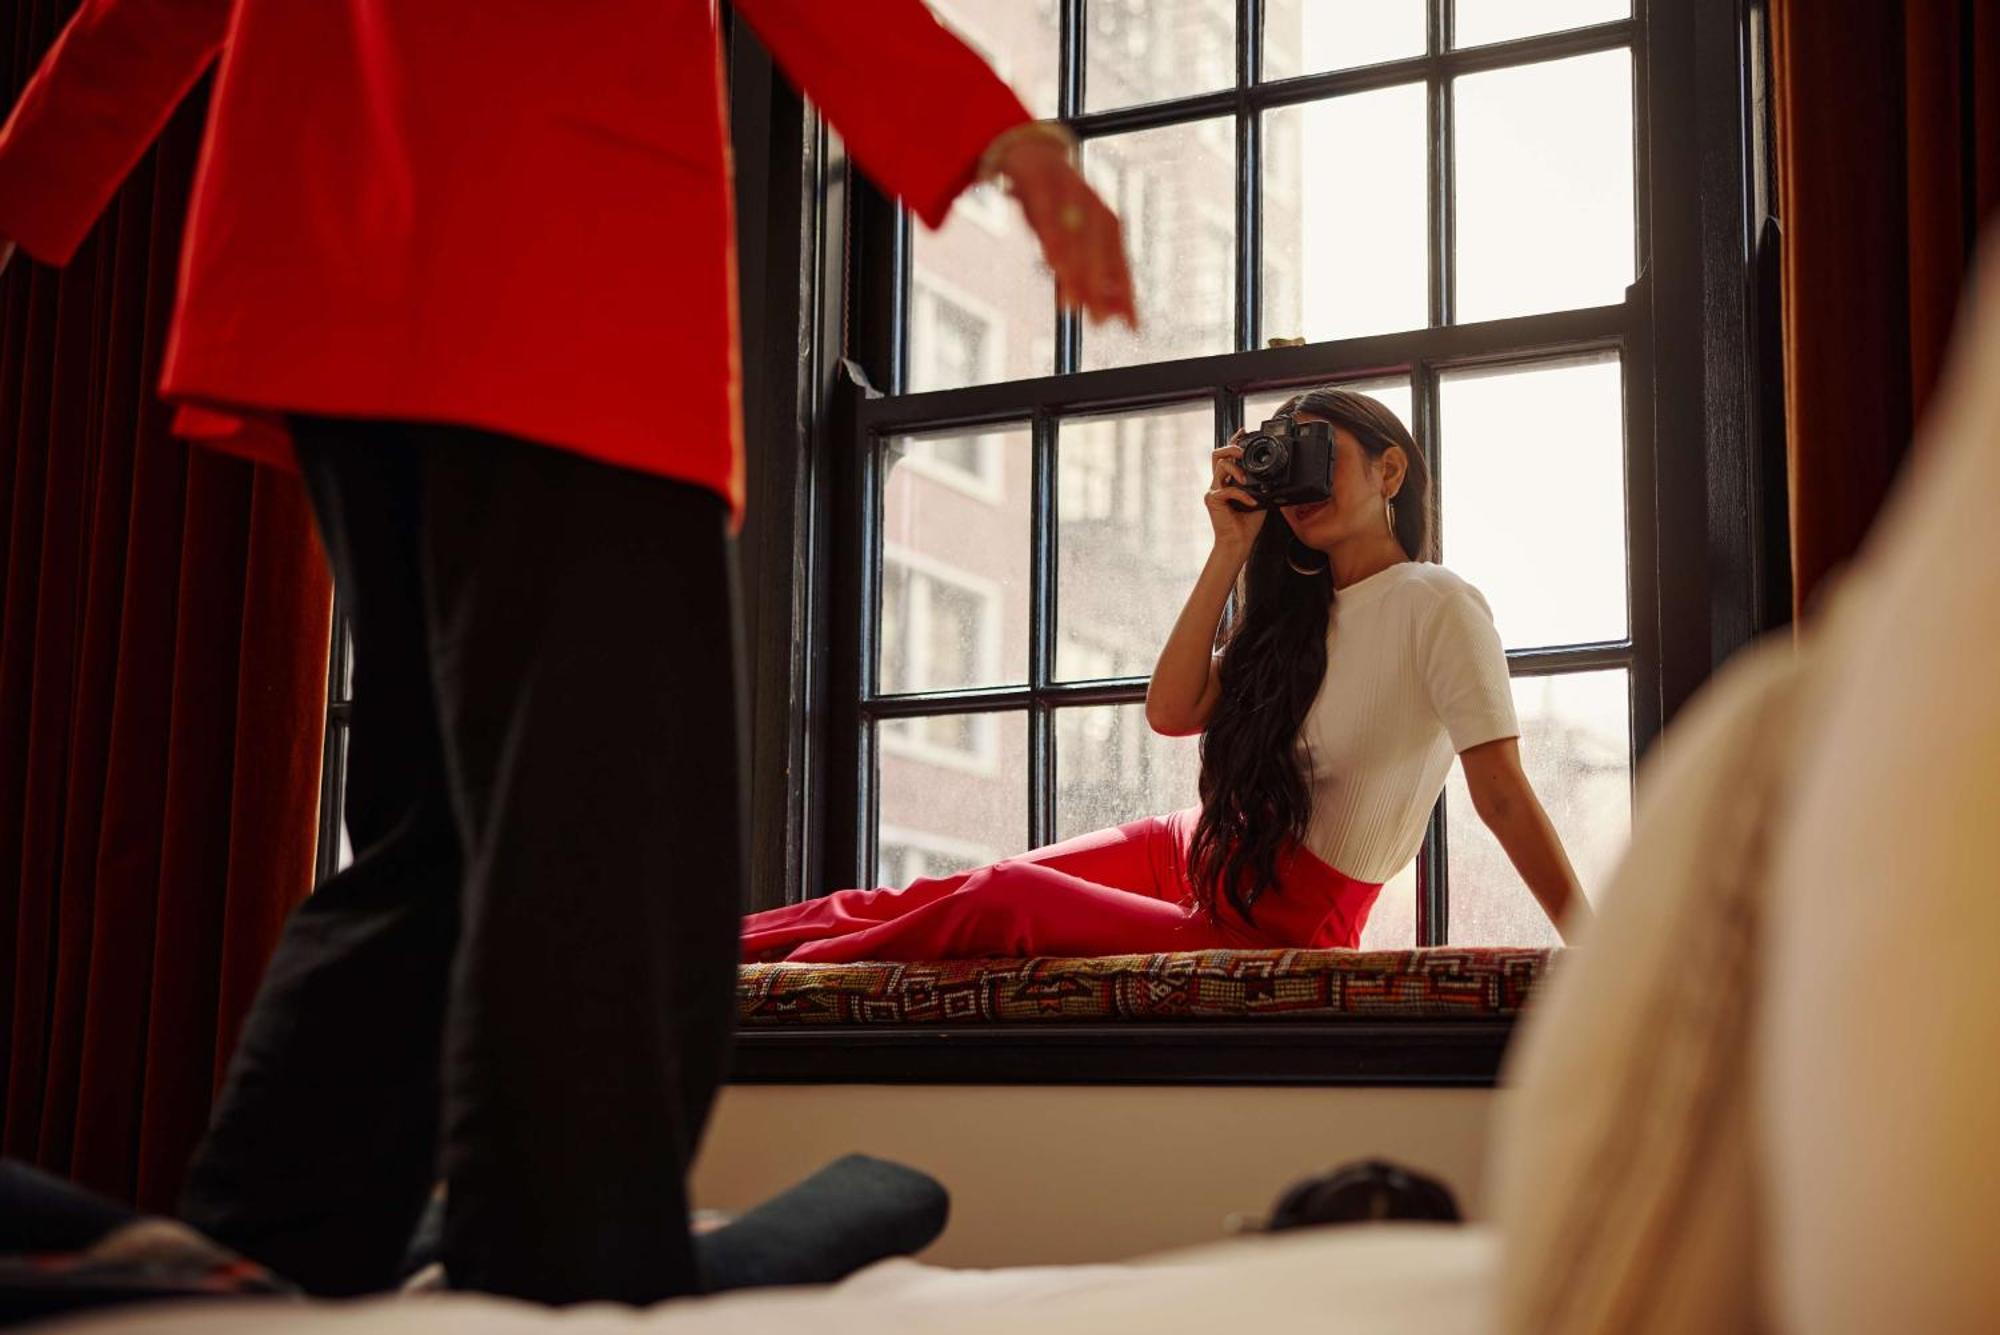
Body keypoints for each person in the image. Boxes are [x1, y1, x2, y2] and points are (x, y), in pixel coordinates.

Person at [0, 0, 1134, 1310]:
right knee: (603, 828)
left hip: (331, 259)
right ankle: (559, 1277)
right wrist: (1001, 134)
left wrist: (30, 180)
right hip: (560, 267)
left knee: (444, 832)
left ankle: (272, 1240)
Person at [742, 388, 1589, 965]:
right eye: (1281, 456)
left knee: (1003, 896)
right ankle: (733, 943)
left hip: (1280, 921)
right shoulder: (1297, 615)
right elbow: (1172, 709)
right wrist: (1229, 551)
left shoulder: (1439, 603)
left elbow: (1503, 793)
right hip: (1198, 846)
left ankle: (773, 987)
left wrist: (1594, 948)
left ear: (1390, 472)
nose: (1296, 478)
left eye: (1318, 453)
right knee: (946, 887)